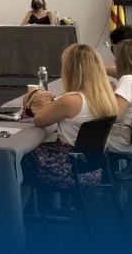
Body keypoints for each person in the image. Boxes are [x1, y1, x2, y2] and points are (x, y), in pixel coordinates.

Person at [21, 44, 120, 189]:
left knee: (19, 159)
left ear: (71, 70)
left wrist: (54, 98)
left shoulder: (70, 101)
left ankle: (24, 203)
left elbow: (39, 120)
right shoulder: (106, 96)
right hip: (94, 169)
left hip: (70, 169)